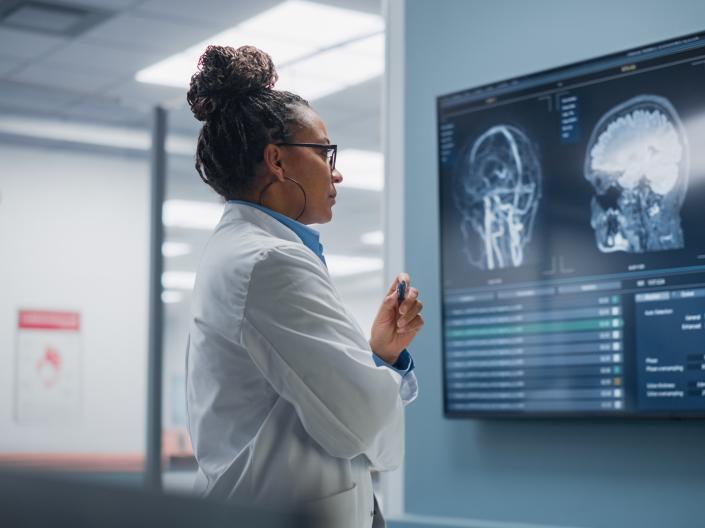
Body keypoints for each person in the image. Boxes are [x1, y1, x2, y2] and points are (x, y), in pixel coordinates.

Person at [184, 45, 423, 528]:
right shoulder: (269, 261)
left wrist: (380, 356)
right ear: (277, 160)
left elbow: (317, 400)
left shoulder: (243, 250)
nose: (336, 172)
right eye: (324, 152)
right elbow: (362, 424)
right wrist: (381, 377)